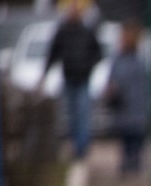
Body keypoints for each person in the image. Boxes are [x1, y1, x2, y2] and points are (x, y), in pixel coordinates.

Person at [41, 0, 103, 164]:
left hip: (83, 79)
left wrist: (88, 66)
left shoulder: (86, 32)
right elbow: (52, 54)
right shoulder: (62, 32)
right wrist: (44, 74)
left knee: (82, 114)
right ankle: (76, 146)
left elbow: (98, 53)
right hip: (68, 78)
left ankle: (82, 147)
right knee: (72, 115)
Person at [101, 20, 149, 177]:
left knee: (136, 137)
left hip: (136, 105)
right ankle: (128, 162)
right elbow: (111, 80)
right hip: (124, 105)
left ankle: (133, 162)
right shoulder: (119, 59)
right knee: (126, 136)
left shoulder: (139, 59)